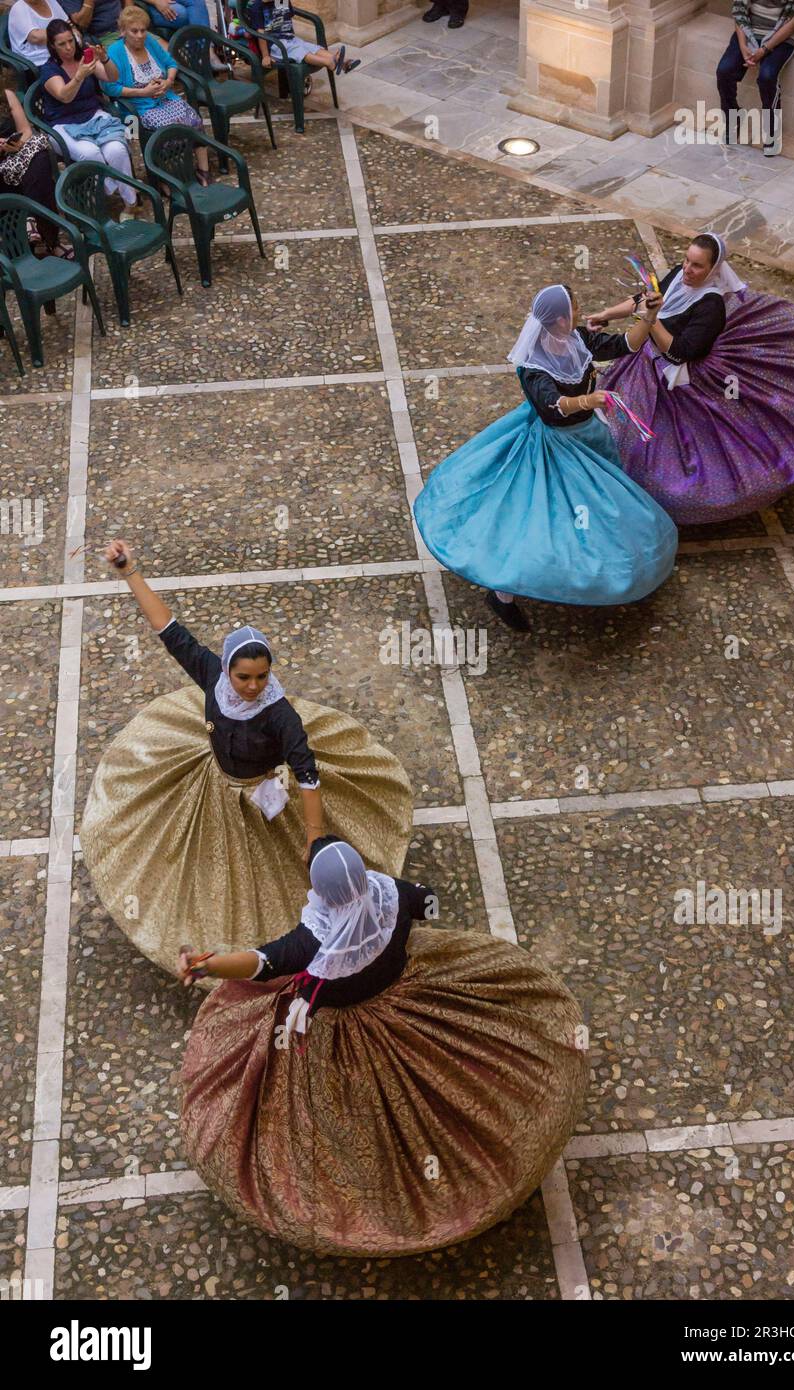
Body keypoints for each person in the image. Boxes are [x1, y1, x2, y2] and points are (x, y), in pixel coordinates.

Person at [178, 838, 589, 1255]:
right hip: (408, 1001)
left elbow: (260, 962)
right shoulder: (390, 893)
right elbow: (428, 903)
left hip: (338, 1034)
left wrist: (207, 964)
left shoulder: (312, 942)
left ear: (322, 892)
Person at [79, 540, 414, 977]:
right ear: (228, 670)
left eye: (261, 676)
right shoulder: (211, 674)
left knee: (266, 876)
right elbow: (168, 629)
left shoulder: (281, 716)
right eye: (243, 677)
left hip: (266, 791)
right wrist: (129, 571)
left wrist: (314, 839)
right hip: (214, 780)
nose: (252, 686)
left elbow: (308, 777)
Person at [413, 282, 678, 634]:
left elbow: (625, 344)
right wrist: (591, 400)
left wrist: (650, 315)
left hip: (589, 438)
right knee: (536, 519)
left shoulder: (578, 340)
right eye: (574, 308)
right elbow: (553, 405)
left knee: (599, 506)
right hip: (556, 445)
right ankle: (505, 594)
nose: (580, 312)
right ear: (557, 320)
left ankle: (596, 568)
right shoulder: (532, 366)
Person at [592, 233, 794, 524]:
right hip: (645, 361)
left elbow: (678, 353)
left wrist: (651, 319)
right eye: (687, 260)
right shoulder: (678, 275)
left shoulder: (710, 306)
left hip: (677, 376)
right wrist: (607, 314)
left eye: (697, 266)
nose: (687, 269)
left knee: (665, 443)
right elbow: (645, 299)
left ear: (713, 270)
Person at [41, 20, 139, 217]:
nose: (69, 47)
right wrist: (79, 76)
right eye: (62, 44)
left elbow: (112, 77)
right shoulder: (48, 69)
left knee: (117, 149)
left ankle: (130, 203)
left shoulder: (83, 58)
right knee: (90, 153)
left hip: (93, 116)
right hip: (62, 125)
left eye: (70, 41)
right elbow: (64, 96)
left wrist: (104, 59)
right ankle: (113, 191)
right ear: (52, 46)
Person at [102, 8, 211, 182]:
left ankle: (203, 170)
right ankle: (165, 178)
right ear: (123, 31)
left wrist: (168, 81)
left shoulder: (150, 42)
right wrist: (142, 92)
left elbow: (171, 63)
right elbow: (110, 88)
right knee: (166, 128)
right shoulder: (115, 52)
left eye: (143, 30)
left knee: (193, 118)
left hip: (166, 97)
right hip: (139, 107)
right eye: (134, 31)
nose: (139, 35)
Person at [717, 1, 794, 155]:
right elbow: (739, 14)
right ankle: (733, 118)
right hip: (749, 32)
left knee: (767, 76)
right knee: (724, 71)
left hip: (782, 38)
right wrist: (743, 46)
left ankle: (772, 129)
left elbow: (793, 24)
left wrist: (764, 50)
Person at [0, 77, 70, 255]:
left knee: (40, 159)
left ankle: (48, 238)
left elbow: (25, 130)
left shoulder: (6, 95)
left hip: (15, 155)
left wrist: (17, 144)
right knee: (36, 169)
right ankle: (38, 228)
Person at [239, 1, 360, 77]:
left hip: (289, 38)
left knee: (311, 47)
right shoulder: (257, 7)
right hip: (274, 45)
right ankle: (329, 62)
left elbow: (288, 18)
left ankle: (342, 62)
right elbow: (261, 34)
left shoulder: (283, 1)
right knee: (299, 51)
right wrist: (265, 56)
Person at [7, 0, 70, 68]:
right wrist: (65, 32)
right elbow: (35, 38)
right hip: (38, 61)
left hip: (60, 53)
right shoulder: (19, 7)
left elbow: (68, 23)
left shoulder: (51, 1)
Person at [56, 0, 131, 46]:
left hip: (126, 25)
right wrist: (89, 2)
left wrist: (129, 19)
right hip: (103, 35)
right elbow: (81, 23)